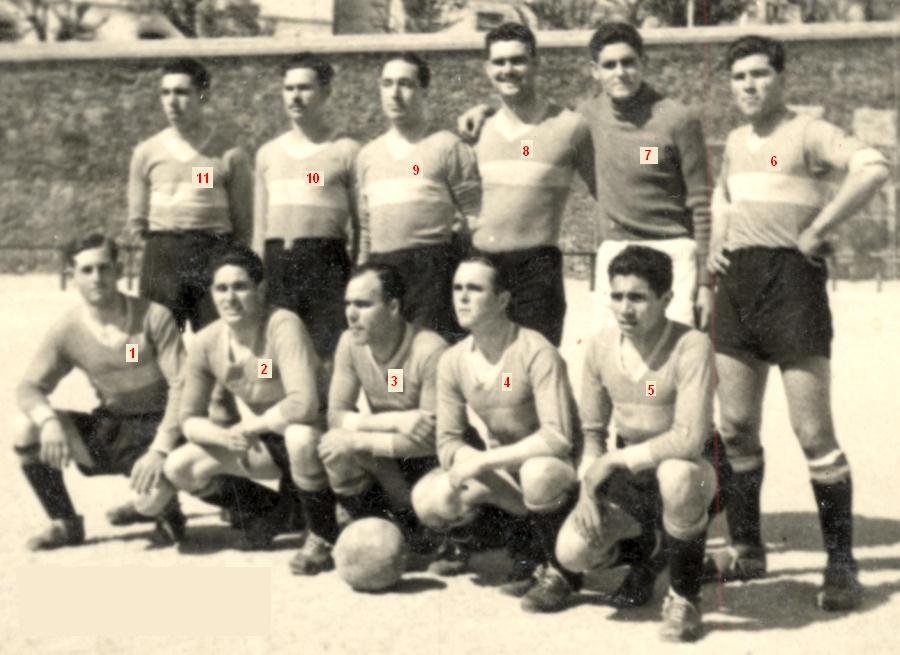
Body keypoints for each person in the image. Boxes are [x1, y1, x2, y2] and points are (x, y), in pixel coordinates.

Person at [707, 35, 889, 611]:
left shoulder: (809, 132)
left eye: (760, 74)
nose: (750, 85)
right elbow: (722, 197)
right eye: (740, 76)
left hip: (792, 284)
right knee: (736, 425)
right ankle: (746, 548)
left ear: (782, 78)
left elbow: (874, 167)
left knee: (813, 433)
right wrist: (715, 246)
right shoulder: (735, 141)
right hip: (737, 286)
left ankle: (841, 565)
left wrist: (819, 228)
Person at [458, 22, 711, 335]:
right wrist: (485, 111)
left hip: (671, 252)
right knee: (610, 356)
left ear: (643, 63)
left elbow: (702, 203)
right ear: (595, 71)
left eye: (628, 62)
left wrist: (705, 283)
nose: (620, 72)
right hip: (615, 252)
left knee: (674, 354)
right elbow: (532, 120)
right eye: (610, 65)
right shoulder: (585, 118)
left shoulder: (677, 119)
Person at [554, 245, 716, 642]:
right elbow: (593, 433)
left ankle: (685, 596)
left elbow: (689, 438)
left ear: (666, 298)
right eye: (617, 296)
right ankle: (652, 552)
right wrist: (588, 491)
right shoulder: (599, 347)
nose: (625, 308)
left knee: (677, 476)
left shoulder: (691, 345)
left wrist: (614, 461)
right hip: (633, 475)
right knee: (572, 552)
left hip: (693, 467)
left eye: (638, 298)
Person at [411, 257, 583, 613]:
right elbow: (447, 440)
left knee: (537, 472)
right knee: (431, 497)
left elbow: (558, 437)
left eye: (475, 289)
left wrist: (483, 461)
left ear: (502, 300)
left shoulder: (535, 350)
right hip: (507, 469)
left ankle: (561, 571)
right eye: (457, 288)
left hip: (556, 470)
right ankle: (507, 543)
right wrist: (469, 462)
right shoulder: (453, 360)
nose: (462, 298)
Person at [163, 247, 339, 559]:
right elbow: (188, 418)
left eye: (240, 287)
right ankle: (274, 511)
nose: (230, 298)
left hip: (321, 438)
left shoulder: (283, 325)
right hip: (269, 439)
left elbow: (304, 404)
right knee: (179, 467)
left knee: (299, 436)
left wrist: (251, 426)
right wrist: (223, 436)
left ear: (261, 288)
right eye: (221, 288)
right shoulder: (206, 342)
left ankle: (322, 533)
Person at [12, 234, 186, 550]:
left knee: (152, 501)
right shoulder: (67, 330)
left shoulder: (153, 316)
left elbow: (182, 385)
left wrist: (161, 448)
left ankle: (162, 508)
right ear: (72, 276)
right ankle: (65, 522)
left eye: (104, 268)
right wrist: (48, 421)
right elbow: (29, 387)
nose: (96, 277)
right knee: (26, 427)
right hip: (112, 426)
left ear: (119, 270)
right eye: (87, 270)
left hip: (159, 428)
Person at [307, 263, 448, 569]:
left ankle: (435, 532)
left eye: (363, 304)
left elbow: (432, 439)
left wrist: (359, 438)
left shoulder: (430, 350)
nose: (351, 314)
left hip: (426, 459)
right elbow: (336, 416)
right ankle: (372, 529)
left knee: (438, 498)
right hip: (390, 448)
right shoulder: (349, 343)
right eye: (348, 303)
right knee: (336, 446)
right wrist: (394, 422)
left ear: (393, 307)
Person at [463, 23, 596, 347]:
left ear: (536, 64)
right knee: (487, 369)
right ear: (487, 69)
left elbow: (608, 185)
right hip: (482, 268)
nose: (508, 69)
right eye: (499, 62)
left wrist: (656, 154)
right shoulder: (476, 130)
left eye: (518, 60)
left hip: (537, 271)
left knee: (534, 367)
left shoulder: (569, 127)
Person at [356, 52, 481, 342]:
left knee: (430, 352)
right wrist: (362, 276)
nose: (395, 93)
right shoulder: (367, 156)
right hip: (382, 272)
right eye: (387, 84)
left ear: (424, 91)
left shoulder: (447, 146)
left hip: (432, 274)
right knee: (389, 356)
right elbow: (365, 229)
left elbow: (476, 217)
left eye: (405, 84)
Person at [128, 58, 253, 333]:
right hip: (162, 256)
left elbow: (243, 223)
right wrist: (157, 255)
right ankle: (130, 362)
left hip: (213, 253)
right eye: (166, 92)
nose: (172, 102)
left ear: (203, 95)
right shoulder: (146, 152)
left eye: (182, 92)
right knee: (148, 338)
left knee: (220, 337)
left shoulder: (230, 153)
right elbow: (137, 221)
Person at [254, 53, 361, 360]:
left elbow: (361, 224)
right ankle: (270, 391)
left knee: (326, 353)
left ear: (326, 92)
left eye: (305, 88)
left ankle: (327, 393)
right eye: (289, 88)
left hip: (325, 264)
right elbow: (259, 227)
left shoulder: (346, 151)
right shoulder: (267, 154)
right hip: (277, 265)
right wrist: (256, 275)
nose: (295, 97)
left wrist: (359, 271)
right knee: (272, 355)